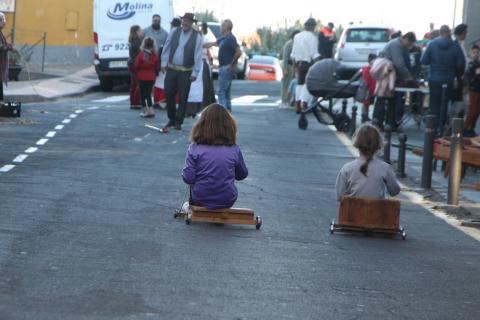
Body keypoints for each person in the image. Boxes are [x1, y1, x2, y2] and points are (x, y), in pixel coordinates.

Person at [182, 103, 248, 209]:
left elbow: (188, 178)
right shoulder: (234, 149)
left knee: (190, 197)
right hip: (228, 199)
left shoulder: (195, 148)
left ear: (201, 125)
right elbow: (242, 175)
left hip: (200, 198)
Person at [335, 124, 400, 201]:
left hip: (352, 212)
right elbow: (395, 191)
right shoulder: (385, 168)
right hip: (377, 212)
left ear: (357, 144)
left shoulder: (347, 168)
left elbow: (340, 196)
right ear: (378, 145)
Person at [161, 13, 203, 130]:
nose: (185, 23)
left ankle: (178, 121)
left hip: (186, 71)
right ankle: (171, 118)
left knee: (183, 96)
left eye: (188, 21)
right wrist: (163, 63)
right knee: (168, 93)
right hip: (172, 69)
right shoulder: (174, 31)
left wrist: (195, 72)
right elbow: (166, 47)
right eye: (184, 20)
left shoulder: (197, 37)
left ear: (191, 23)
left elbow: (198, 56)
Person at [421, 25, 465, 137]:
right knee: (445, 104)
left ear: (440, 33)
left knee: (434, 104)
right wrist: (456, 75)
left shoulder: (432, 44)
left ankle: (432, 129)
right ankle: (441, 129)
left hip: (434, 78)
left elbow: (424, 61)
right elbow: (461, 65)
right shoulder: (455, 46)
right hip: (449, 79)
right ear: (449, 33)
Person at [373, 32, 416, 129]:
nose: (408, 47)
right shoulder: (396, 45)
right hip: (385, 74)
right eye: (409, 44)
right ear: (406, 39)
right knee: (383, 97)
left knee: (388, 98)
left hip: (386, 73)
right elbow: (399, 63)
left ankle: (387, 122)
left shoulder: (397, 44)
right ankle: (380, 123)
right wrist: (408, 77)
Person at [205, 19, 242, 112]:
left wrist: (232, 63)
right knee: (226, 92)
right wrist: (200, 44)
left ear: (227, 27)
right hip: (224, 67)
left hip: (226, 68)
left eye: (222, 26)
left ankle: (223, 113)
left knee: (221, 92)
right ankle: (228, 112)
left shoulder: (231, 38)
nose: (220, 27)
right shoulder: (224, 38)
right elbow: (213, 43)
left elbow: (239, 52)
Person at [290, 18, 320, 113]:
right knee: (307, 85)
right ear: (313, 27)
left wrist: (294, 66)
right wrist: (318, 64)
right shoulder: (313, 37)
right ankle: (304, 105)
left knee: (299, 84)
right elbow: (314, 53)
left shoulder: (297, 36)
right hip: (308, 64)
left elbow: (293, 54)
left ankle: (297, 105)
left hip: (298, 64)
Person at [143, 14, 169, 109]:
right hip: (148, 60)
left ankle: (156, 100)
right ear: (152, 20)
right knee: (149, 81)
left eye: (158, 21)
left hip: (159, 61)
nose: (156, 22)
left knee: (157, 81)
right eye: (155, 21)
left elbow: (167, 47)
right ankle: (149, 100)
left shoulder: (165, 33)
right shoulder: (145, 31)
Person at [134, 37, 160, 118]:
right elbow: (157, 66)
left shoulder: (141, 55)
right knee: (148, 93)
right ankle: (151, 109)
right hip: (151, 77)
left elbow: (136, 65)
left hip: (142, 77)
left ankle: (145, 110)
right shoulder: (154, 55)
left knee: (143, 94)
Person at [280, 30, 300, 108]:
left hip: (295, 67)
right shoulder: (288, 44)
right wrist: (284, 69)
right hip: (288, 66)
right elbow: (285, 57)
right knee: (286, 85)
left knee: (293, 85)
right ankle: (284, 100)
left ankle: (291, 100)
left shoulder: (299, 44)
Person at [463, 45, 480, 137]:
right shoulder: (470, 65)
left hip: (478, 90)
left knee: (477, 111)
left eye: (477, 52)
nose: (476, 54)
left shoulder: (478, 64)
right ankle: (465, 128)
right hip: (473, 90)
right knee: (472, 111)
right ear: (471, 53)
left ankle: (471, 128)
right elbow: (471, 78)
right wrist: (477, 75)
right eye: (474, 52)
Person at [128, 25, 144, 110]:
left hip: (131, 63)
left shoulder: (133, 41)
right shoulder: (138, 42)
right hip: (136, 64)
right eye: (140, 30)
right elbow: (140, 54)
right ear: (137, 32)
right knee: (139, 83)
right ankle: (136, 101)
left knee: (134, 83)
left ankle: (133, 101)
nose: (142, 32)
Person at [360, 53, 377, 122]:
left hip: (370, 89)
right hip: (368, 89)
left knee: (367, 103)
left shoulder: (366, 69)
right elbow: (366, 80)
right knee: (366, 103)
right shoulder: (368, 69)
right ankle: (364, 116)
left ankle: (365, 116)